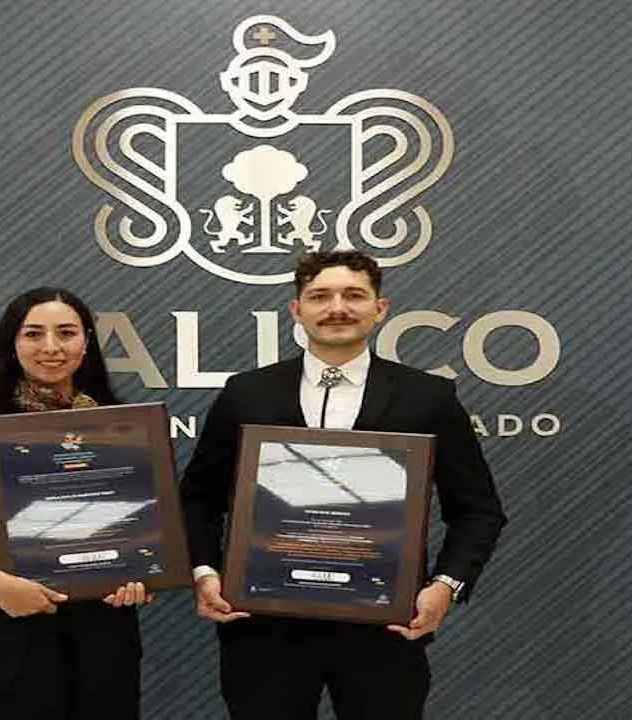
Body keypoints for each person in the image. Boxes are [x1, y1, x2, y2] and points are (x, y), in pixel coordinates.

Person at [179, 251, 508, 720]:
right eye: (320, 297)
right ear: (296, 310)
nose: (337, 308)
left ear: (380, 308)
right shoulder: (246, 393)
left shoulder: (428, 397)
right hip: (264, 628)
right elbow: (198, 498)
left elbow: (478, 510)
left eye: (354, 295)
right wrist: (205, 574)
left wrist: (444, 586)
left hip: (385, 626)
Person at [0, 287, 150, 719]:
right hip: (5, 628)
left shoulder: (119, 424)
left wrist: (138, 574)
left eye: (66, 333)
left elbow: (137, 530)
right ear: (12, 343)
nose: (51, 347)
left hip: (102, 635)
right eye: (34, 334)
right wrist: (0, 586)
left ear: (86, 343)